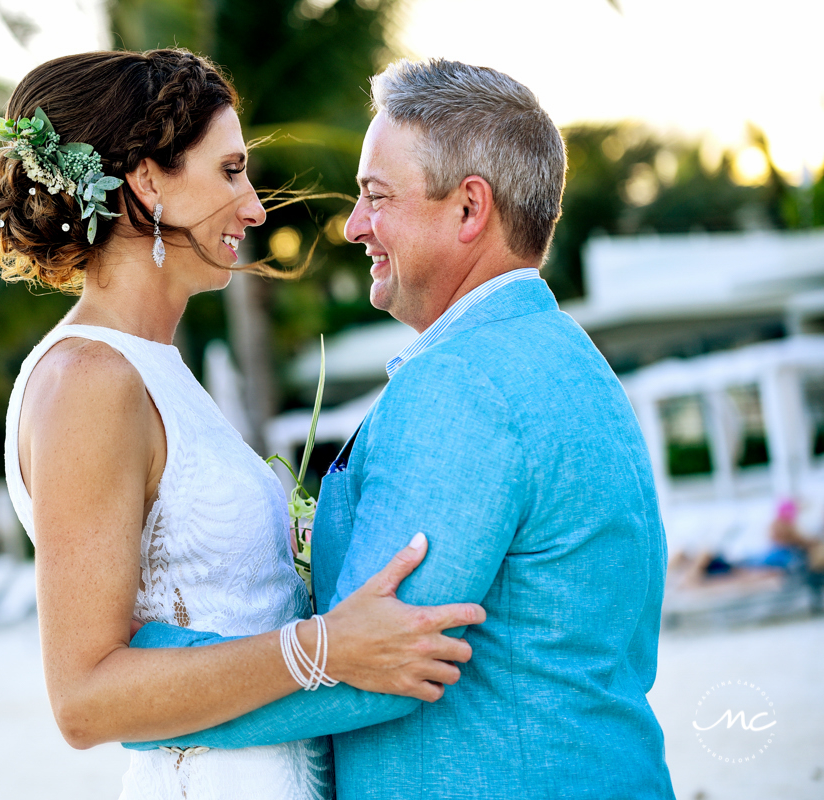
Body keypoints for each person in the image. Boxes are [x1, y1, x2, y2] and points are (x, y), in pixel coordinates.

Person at [128, 58, 677, 799]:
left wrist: (144, 688)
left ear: (468, 210)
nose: (355, 226)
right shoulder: (564, 359)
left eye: (375, 197)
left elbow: (378, 669)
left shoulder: (465, 384)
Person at [0, 50, 486, 800]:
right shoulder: (88, 383)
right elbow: (85, 697)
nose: (255, 207)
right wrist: (326, 648)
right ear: (148, 181)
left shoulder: (154, 369)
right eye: (229, 172)